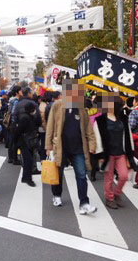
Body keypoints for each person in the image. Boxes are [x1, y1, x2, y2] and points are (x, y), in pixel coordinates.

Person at [45, 79, 97, 214]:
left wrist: (92, 144)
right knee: (58, 174)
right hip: (60, 147)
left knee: (81, 175)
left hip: (78, 148)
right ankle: (56, 195)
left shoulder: (81, 108)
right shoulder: (57, 106)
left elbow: (88, 128)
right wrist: (48, 146)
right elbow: (50, 126)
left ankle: (84, 203)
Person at [95, 94, 137, 209]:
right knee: (108, 178)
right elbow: (98, 137)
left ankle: (117, 194)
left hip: (121, 152)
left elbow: (128, 135)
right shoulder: (100, 120)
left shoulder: (123, 118)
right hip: (108, 154)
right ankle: (109, 198)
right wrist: (100, 154)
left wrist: (130, 152)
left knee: (124, 176)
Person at [14, 102, 42, 187]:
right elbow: (18, 131)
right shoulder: (25, 118)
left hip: (28, 141)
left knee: (28, 160)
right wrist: (16, 143)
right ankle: (27, 179)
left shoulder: (30, 116)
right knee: (28, 160)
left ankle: (25, 177)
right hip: (24, 142)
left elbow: (38, 123)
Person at [8, 85, 22, 165]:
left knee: (12, 141)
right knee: (15, 141)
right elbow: (13, 112)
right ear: (17, 92)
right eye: (20, 91)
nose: (22, 92)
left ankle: (11, 158)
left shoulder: (11, 100)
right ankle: (14, 159)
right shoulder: (16, 101)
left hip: (11, 122)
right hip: (15, 122)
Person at [39, 91, 51, 161]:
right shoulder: (44, 106)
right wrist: (47, 129)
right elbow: (43, 120)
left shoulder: (42, 105)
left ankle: (43, 158)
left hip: (43, 128)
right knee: (44, 144)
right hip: (43, 128)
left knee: (43, 143)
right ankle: (43, 158)